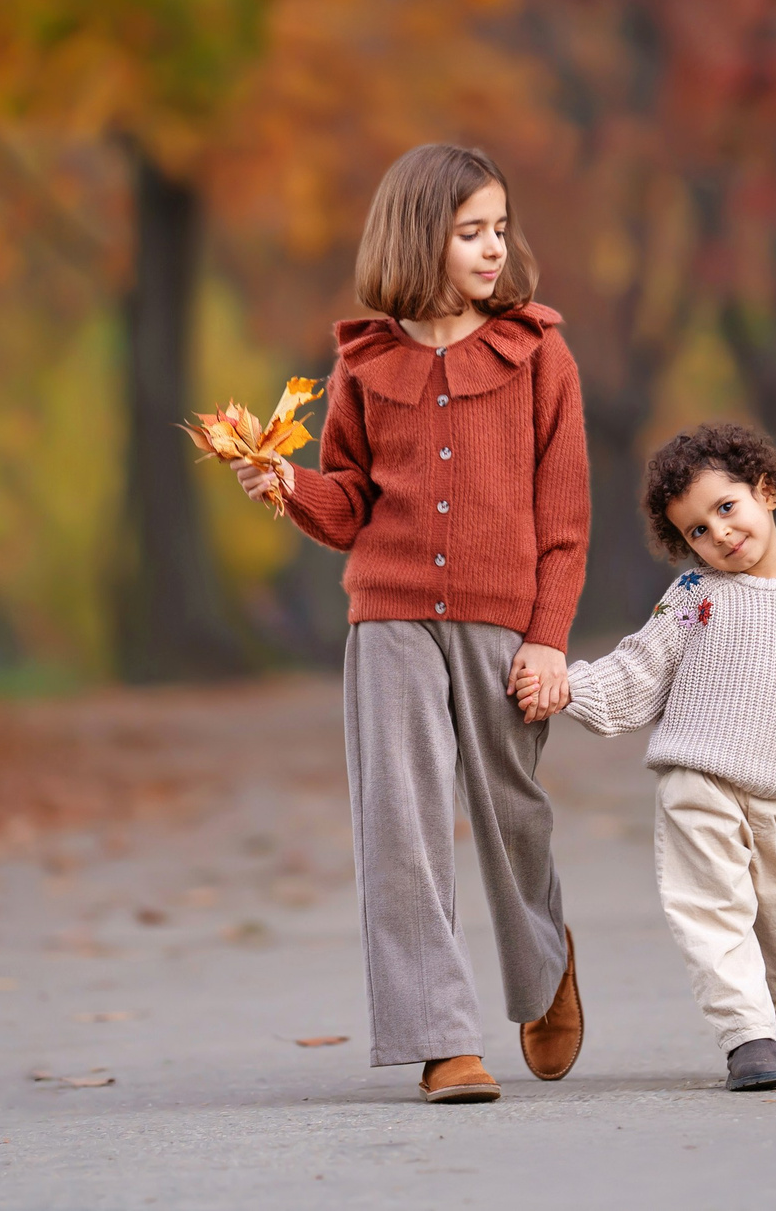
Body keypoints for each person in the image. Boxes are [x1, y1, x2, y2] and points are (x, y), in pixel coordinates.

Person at [232, 143, 588, 1105]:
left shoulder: (537, 352)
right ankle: (443, 1040)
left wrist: (548, 638)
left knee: (510, 808)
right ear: (417, 238)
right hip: (387, 618)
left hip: (500, 621)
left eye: (499, 230)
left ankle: (542, 958)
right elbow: (347, 502)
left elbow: (563, 522)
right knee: (402, 824)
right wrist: (287, 486)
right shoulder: (363, 364)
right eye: (470, 232)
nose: (490, 249)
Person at [556, 422, 776, 1091]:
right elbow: (638, 671)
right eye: (695, 530)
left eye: (726, 507)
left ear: (766, 491)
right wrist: (565, 684)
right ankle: (746, 1035)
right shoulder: (693, 598)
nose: (717, 532)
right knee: (709, 906)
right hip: (698, 777)